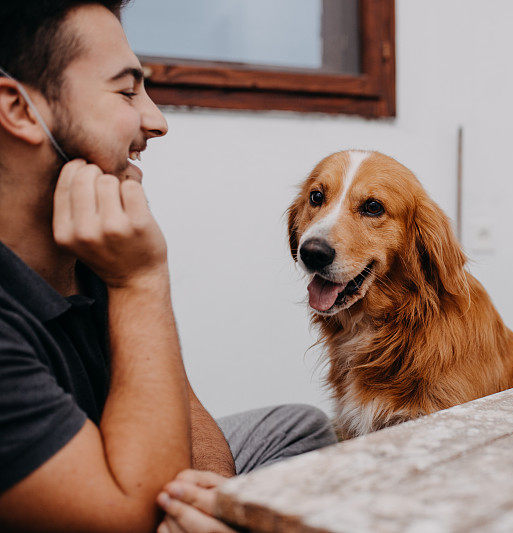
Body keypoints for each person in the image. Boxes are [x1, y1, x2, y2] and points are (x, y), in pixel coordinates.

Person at [0, 1, 337, 531]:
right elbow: (125, 521)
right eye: (127, 90)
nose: (156, 121)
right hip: (100, 500)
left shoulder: (94, 248)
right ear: (18, 109)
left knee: (300, 429)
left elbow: (195, 438)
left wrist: (199, 506)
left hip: (126, 473)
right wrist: (141, 281)